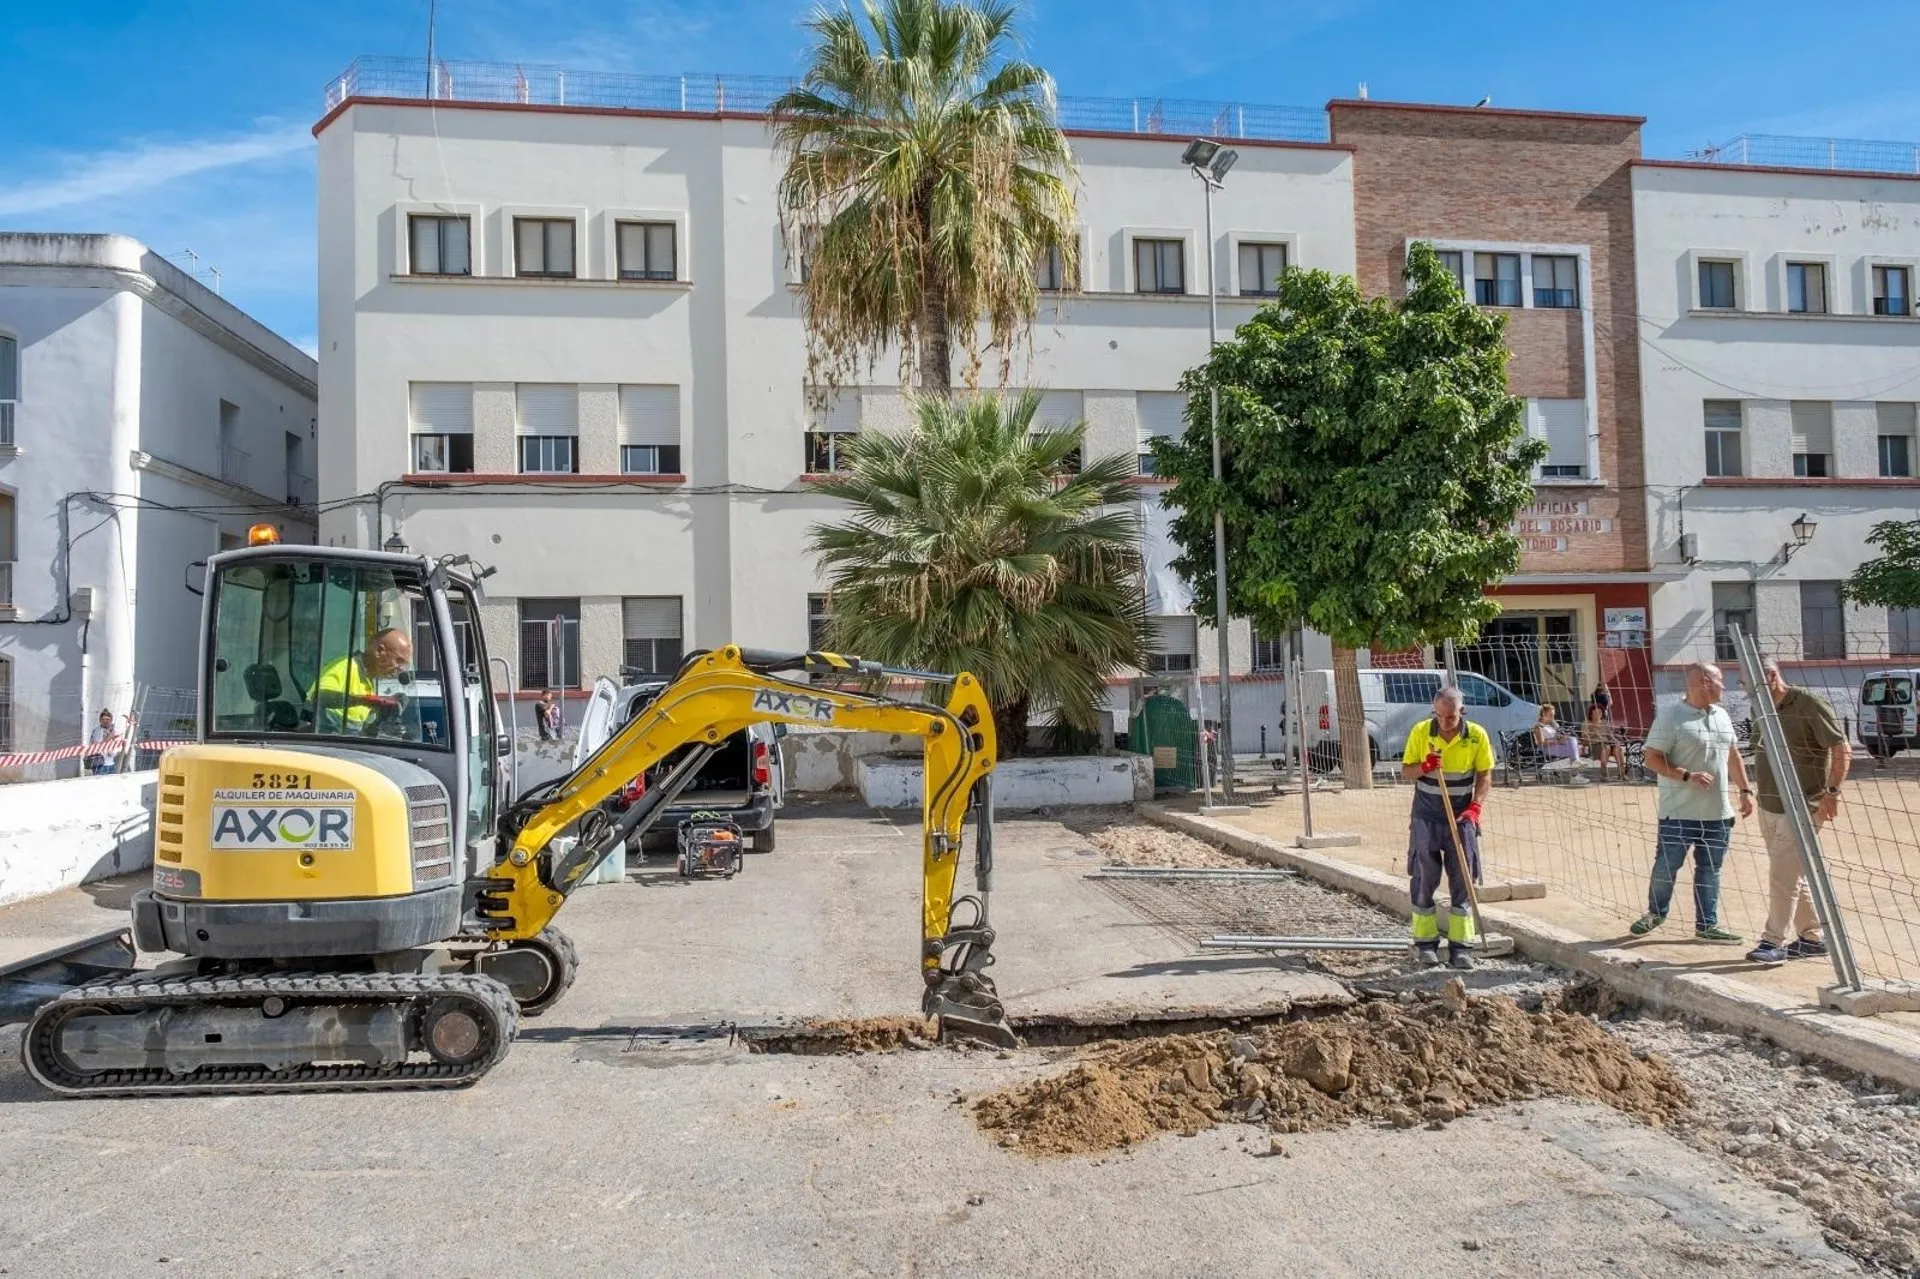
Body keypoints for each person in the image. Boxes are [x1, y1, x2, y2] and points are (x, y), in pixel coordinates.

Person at [1632, 661, 1754, 942]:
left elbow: (1732, 754)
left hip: (1718, 813)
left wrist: (1746, 791)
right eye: (1721, 680)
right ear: (1705, 683)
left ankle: (1707, 926)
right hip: (1678, 813)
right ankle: (1656, 913)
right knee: (1666, 865)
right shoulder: (1670, 717)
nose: (1726, 685)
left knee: (1710, 870)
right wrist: (1686, 775)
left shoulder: (1722, 715)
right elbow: (1651, 758)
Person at [1746, 658, 1849, 965]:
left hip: (1802, 805)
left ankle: (1771, 941)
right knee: (1791, 873)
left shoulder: (1808, 704)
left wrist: (1831, 792)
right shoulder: (1760, 706)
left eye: (1751, 685)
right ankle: (1812, 938)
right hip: (1768, 804)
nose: (1748, 692)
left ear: (1773, 677)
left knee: (1782, 875)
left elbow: (1840, 748)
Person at [1400, 685, 1495, 970]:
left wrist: (1476, 806)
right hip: (1426, 816)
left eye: (1450, 718)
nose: (1444, 723)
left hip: (1461, 817)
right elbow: (1407, 772)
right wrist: (1425, 766)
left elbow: (1485, 774)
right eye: (1439, 716)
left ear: (1461, 712)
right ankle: (1426, 944)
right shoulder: (1421, 732)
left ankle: (1461, 947)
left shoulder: (1476, 736)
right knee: (1424, 876)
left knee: (1463, 878)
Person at [311, 627, 413, 732]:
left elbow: (361, 728)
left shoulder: (368, 680)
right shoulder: (346, 668)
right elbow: (318, 698)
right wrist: (368, 701)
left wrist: (385, 709)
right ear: (379, 651)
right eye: (399, 661)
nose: (400, 669)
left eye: (404, 664)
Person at [1581, 703, 1626, 781]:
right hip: (1594, 745)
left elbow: (1610, 735)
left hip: (1607, 743)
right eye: (1595, 713)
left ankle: (1622, 774)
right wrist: (1593, 731)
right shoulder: (1586, 723)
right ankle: (1603, 774)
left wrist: (1615, 741)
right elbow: (1584, 739)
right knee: (1606, 748)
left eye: (1600, 712)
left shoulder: (1605, 722)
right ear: (1591, 714)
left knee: (1618, 749)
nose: (1598, 715)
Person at [83, 710, 119, 775]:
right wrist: (109, 737)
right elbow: (97, 746)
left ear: (111, 720)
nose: (105, 721)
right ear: (100, 720)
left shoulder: (113, 730)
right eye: (103, 719)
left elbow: (117, 745)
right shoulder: (97, 731)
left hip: (111, 763)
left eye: (107, 719)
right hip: (100, 765)